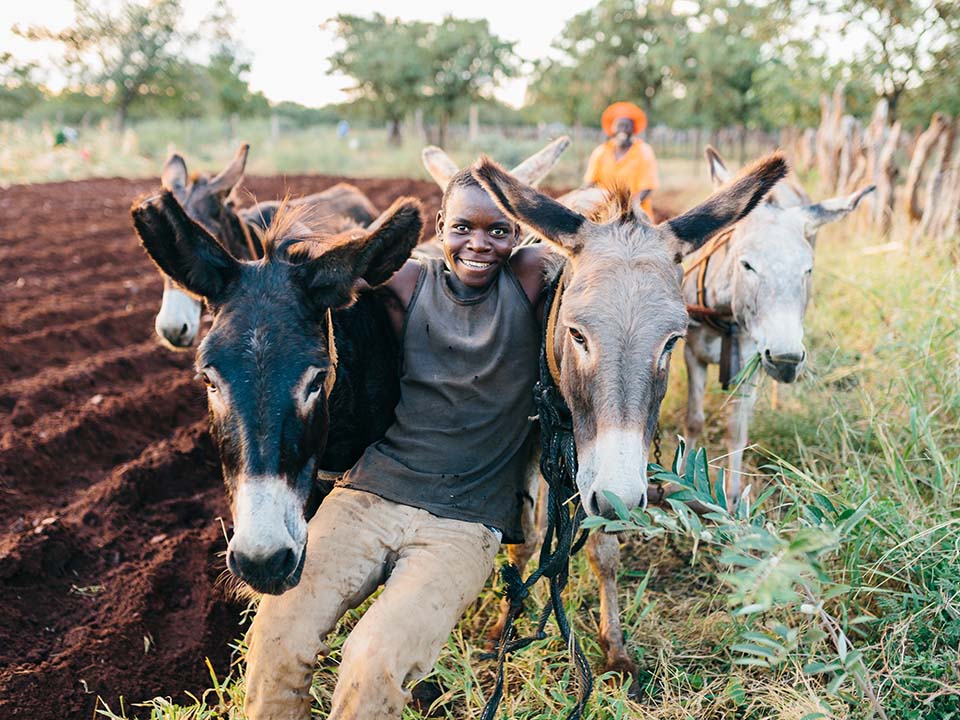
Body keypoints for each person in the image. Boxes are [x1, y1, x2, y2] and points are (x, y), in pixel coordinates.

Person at [243, 167, 553, 720]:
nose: (479, 244)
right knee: (276, 631)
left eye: (498, 231)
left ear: (520, 235)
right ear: (439, 226)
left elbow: (590, 257)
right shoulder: (409, 283)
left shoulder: (529, 280)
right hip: (371, 492)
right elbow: (333, 271)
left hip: (465, 519)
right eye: (462, 227)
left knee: (373, 661)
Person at [583, 101, 659, 218]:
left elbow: (647, 188)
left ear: (633, 129)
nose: (622, 129)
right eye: (619, 125)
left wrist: (626, 210)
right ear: (612, 128)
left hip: (637, 216)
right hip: (605, 215)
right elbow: (590, 183)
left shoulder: (643, 151)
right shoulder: (601, 151)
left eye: (627, 126)